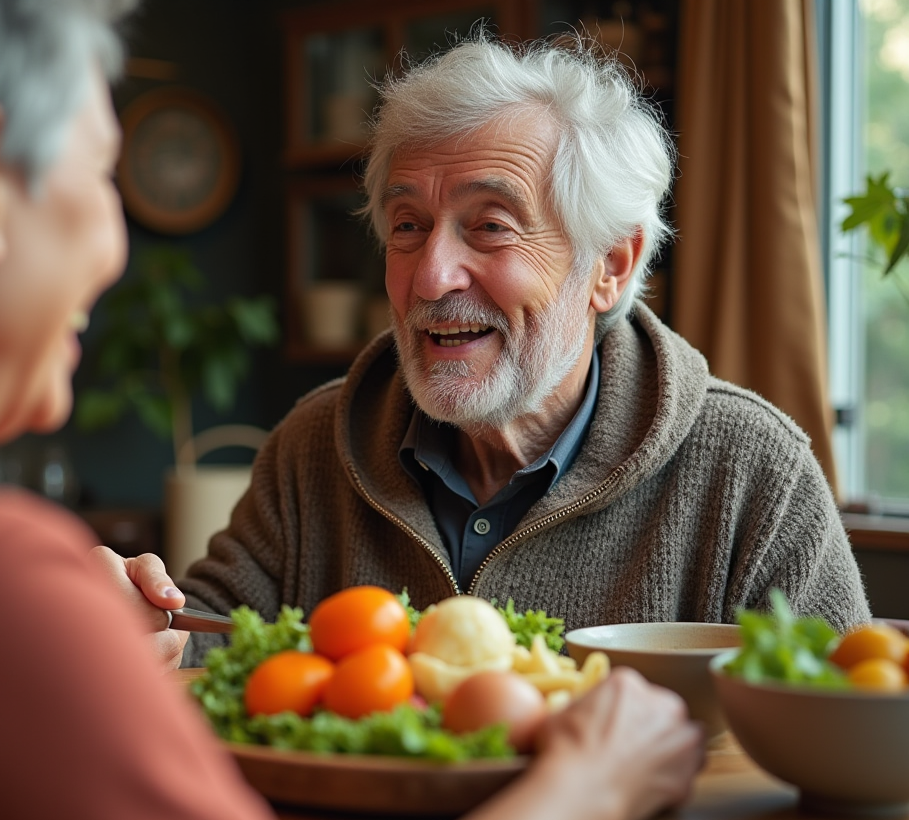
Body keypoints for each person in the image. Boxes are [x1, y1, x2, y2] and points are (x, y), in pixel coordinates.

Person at [0, 4, 703, 820]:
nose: (115, 247)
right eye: (101, 174)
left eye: (489, 226)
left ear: (610, 266)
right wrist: (587, 794)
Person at [167, 33, 870, 665]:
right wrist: (148, 629)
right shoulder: (314, 445)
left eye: (491, 226)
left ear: (610, 265)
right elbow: (208, 631)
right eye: (408, 225)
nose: (431, 277)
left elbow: (839, 720)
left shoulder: (752, 471)